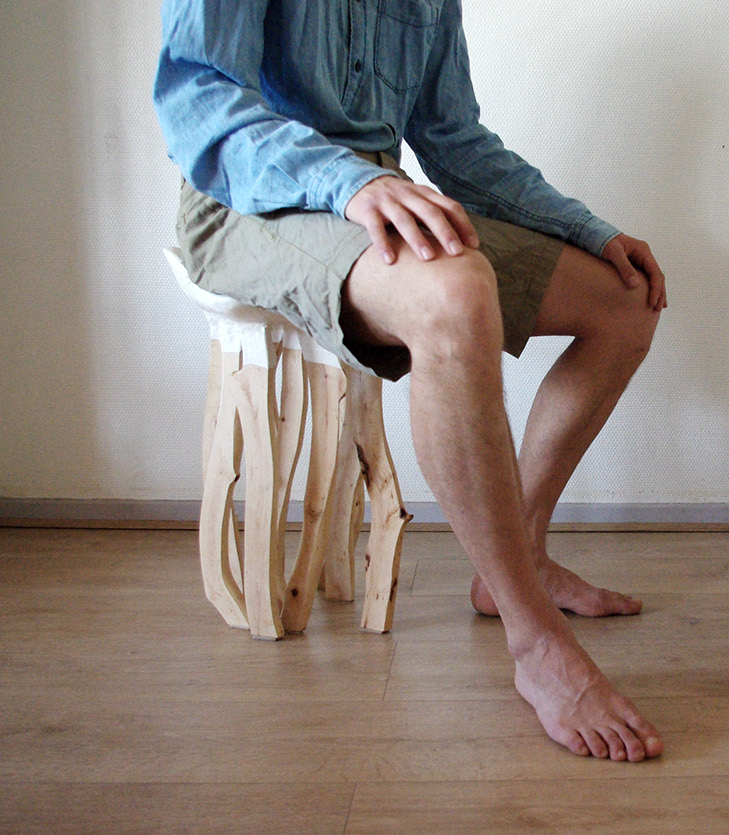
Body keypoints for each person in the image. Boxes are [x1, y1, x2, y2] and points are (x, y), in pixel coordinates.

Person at [153, 0, 666, 762]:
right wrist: (346, 181)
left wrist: (586, 228)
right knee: (454, 293)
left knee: (626, 301)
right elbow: (199, 99)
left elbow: (454, 140)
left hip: (375, 197)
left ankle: (517, 562)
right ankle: (534, 641)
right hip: (247, 200)